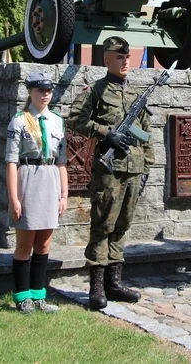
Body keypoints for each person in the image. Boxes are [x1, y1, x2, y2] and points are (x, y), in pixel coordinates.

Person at [66, 36, 154, 311]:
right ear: (107, 60)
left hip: (133, 170)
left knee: (122, 226)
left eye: (127, 57)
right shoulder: (96, 90)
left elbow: (146, 135)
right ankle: (96, 286)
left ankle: (114, 284)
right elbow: (74, 119)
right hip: (109, 171)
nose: (125, 61)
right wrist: (106, 133)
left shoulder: (136, 95)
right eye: (119, 57)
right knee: (103, 225)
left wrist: (147, 166)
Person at [5, 72, 69, 314]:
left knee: (44, 244)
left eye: (48, 90)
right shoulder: (19, 121)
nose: (45, 94)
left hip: (50, 178)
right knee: (25, 243)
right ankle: (22, 297)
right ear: (30, 91)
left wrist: (64, 195)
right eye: (40, 90)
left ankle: (38, 295)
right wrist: (14, 198)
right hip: (28, 179)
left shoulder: (57, 121)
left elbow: (62, 161)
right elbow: (11, 162)